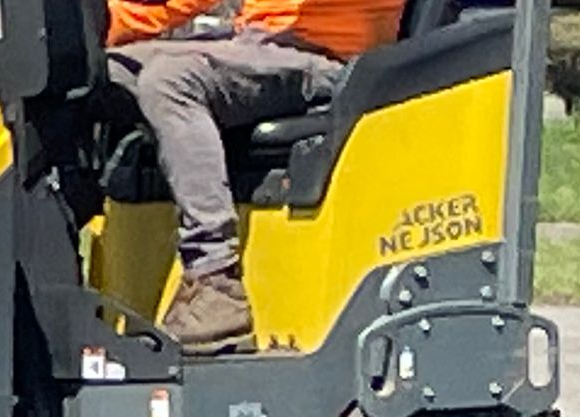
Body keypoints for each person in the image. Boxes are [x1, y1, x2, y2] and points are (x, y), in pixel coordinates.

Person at [104, 0, 408, 351]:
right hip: (256, 43)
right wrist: (100, 25)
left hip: (329, 54)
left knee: (170, 82)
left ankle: (215, 281)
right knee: (101, 74)